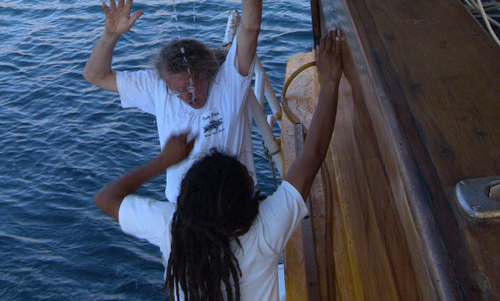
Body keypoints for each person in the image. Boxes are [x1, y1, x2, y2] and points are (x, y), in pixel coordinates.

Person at [94, 29, 343, 300]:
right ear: (246, 188)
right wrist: (330, 81)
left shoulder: (172, 230)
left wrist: (163, 161)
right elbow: (314, 153)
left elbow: (106, 198)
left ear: (186, 194)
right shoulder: (263, 230)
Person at [83, 0, 281, 202]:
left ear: (208, 71)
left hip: (236, 206)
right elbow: (95, 76)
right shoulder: (158, 87)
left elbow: (250, 26)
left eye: (191, 86)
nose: (187, 97)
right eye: (177, 92)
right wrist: (109, 35)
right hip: (184, 214)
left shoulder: (230, 79)